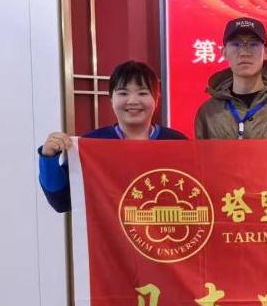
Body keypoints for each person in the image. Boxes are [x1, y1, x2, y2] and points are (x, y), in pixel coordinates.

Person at [38, 60, 187, 213]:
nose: (133, 101)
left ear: (156, 98)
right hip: (106, 229)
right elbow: (61, 201)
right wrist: (49, 159)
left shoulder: (178, 143)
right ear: (111, 99)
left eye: (142, 93)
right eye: (123, 93)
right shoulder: (92, 144)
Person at [194, 17, 267, 139]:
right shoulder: (208, 113)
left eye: (253, 44)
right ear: (224, 52)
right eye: (236, 44)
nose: (244, 52)